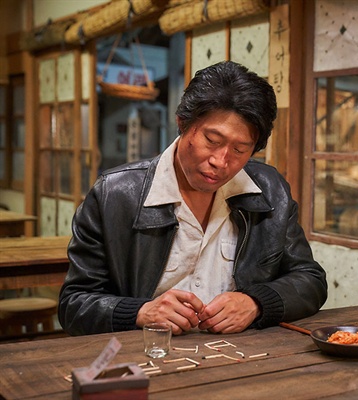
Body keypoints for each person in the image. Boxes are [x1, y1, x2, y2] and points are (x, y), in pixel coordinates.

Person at [59, 61, 328, 336]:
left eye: (240, 149)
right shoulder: (113, 195)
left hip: (242, 357)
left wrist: (256, 302)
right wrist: (140, 312)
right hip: (146, 356)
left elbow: (310, 280)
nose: (220, 161)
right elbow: (74, 305)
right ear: (183, 123)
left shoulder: (271, 191)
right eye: (212, 140)